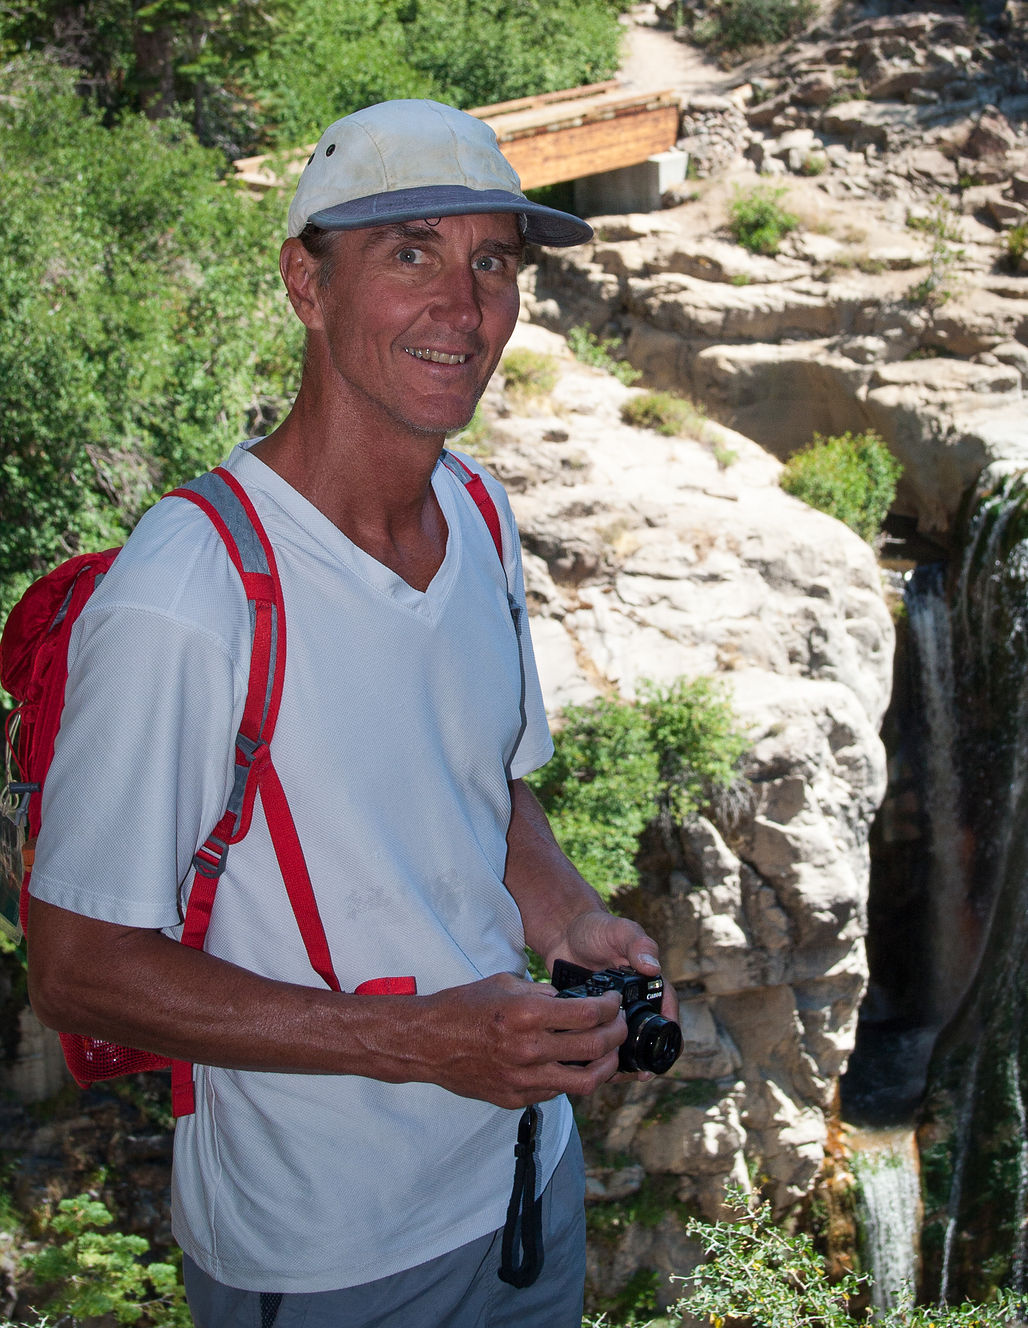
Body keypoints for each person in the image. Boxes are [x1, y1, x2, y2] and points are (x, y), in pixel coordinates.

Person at [27, 98, 678, 1328]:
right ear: (303, 282)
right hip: (331, 1252)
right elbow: (75, 971)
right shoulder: (190, 591)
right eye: (409, 252)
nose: (463, 305)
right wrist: (419, 1045)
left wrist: (572, 917)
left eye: (493, 261)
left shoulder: (481, 516)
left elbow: (487, 787)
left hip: (528, 1182)